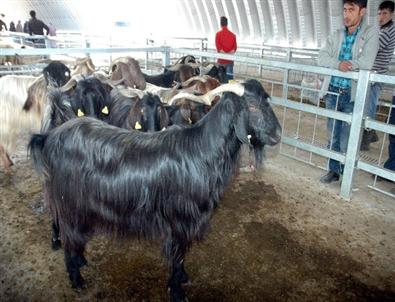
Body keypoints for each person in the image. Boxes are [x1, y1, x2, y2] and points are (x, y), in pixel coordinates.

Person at [318, 0, 379, 184]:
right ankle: (333, 170)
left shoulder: (371, 33)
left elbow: (367, 62)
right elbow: (322, 57)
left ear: (362, 12)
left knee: (348, 137)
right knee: (333, 134)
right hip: (333, 91)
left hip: (352, 94)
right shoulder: (336, 34)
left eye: (351, 10)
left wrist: (348, 65)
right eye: (344, 9)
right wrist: (338, 64)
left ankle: (346, 173)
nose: (346, 14)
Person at [361, 0, 395, 151]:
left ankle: (366, 138)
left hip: (375, 76)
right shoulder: (383, 29)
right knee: (367, 105)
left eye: (385, 13)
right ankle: (371, 133)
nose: (381, 17)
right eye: (379, 13)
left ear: (392, 14)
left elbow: (371, 48)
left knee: (368, 107)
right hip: (373, 74)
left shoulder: (388, 31)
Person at [215, 16, 237, 83]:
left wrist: (224, 55)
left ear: (220, 24)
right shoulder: (233, 35)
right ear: (227, 24)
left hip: (221, 61)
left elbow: (219, 48)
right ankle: (231, 91)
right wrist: (228, 56)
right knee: (230, 79)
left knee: (220, 80)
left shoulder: (218, 34)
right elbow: (234, 48)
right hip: (230, 61)